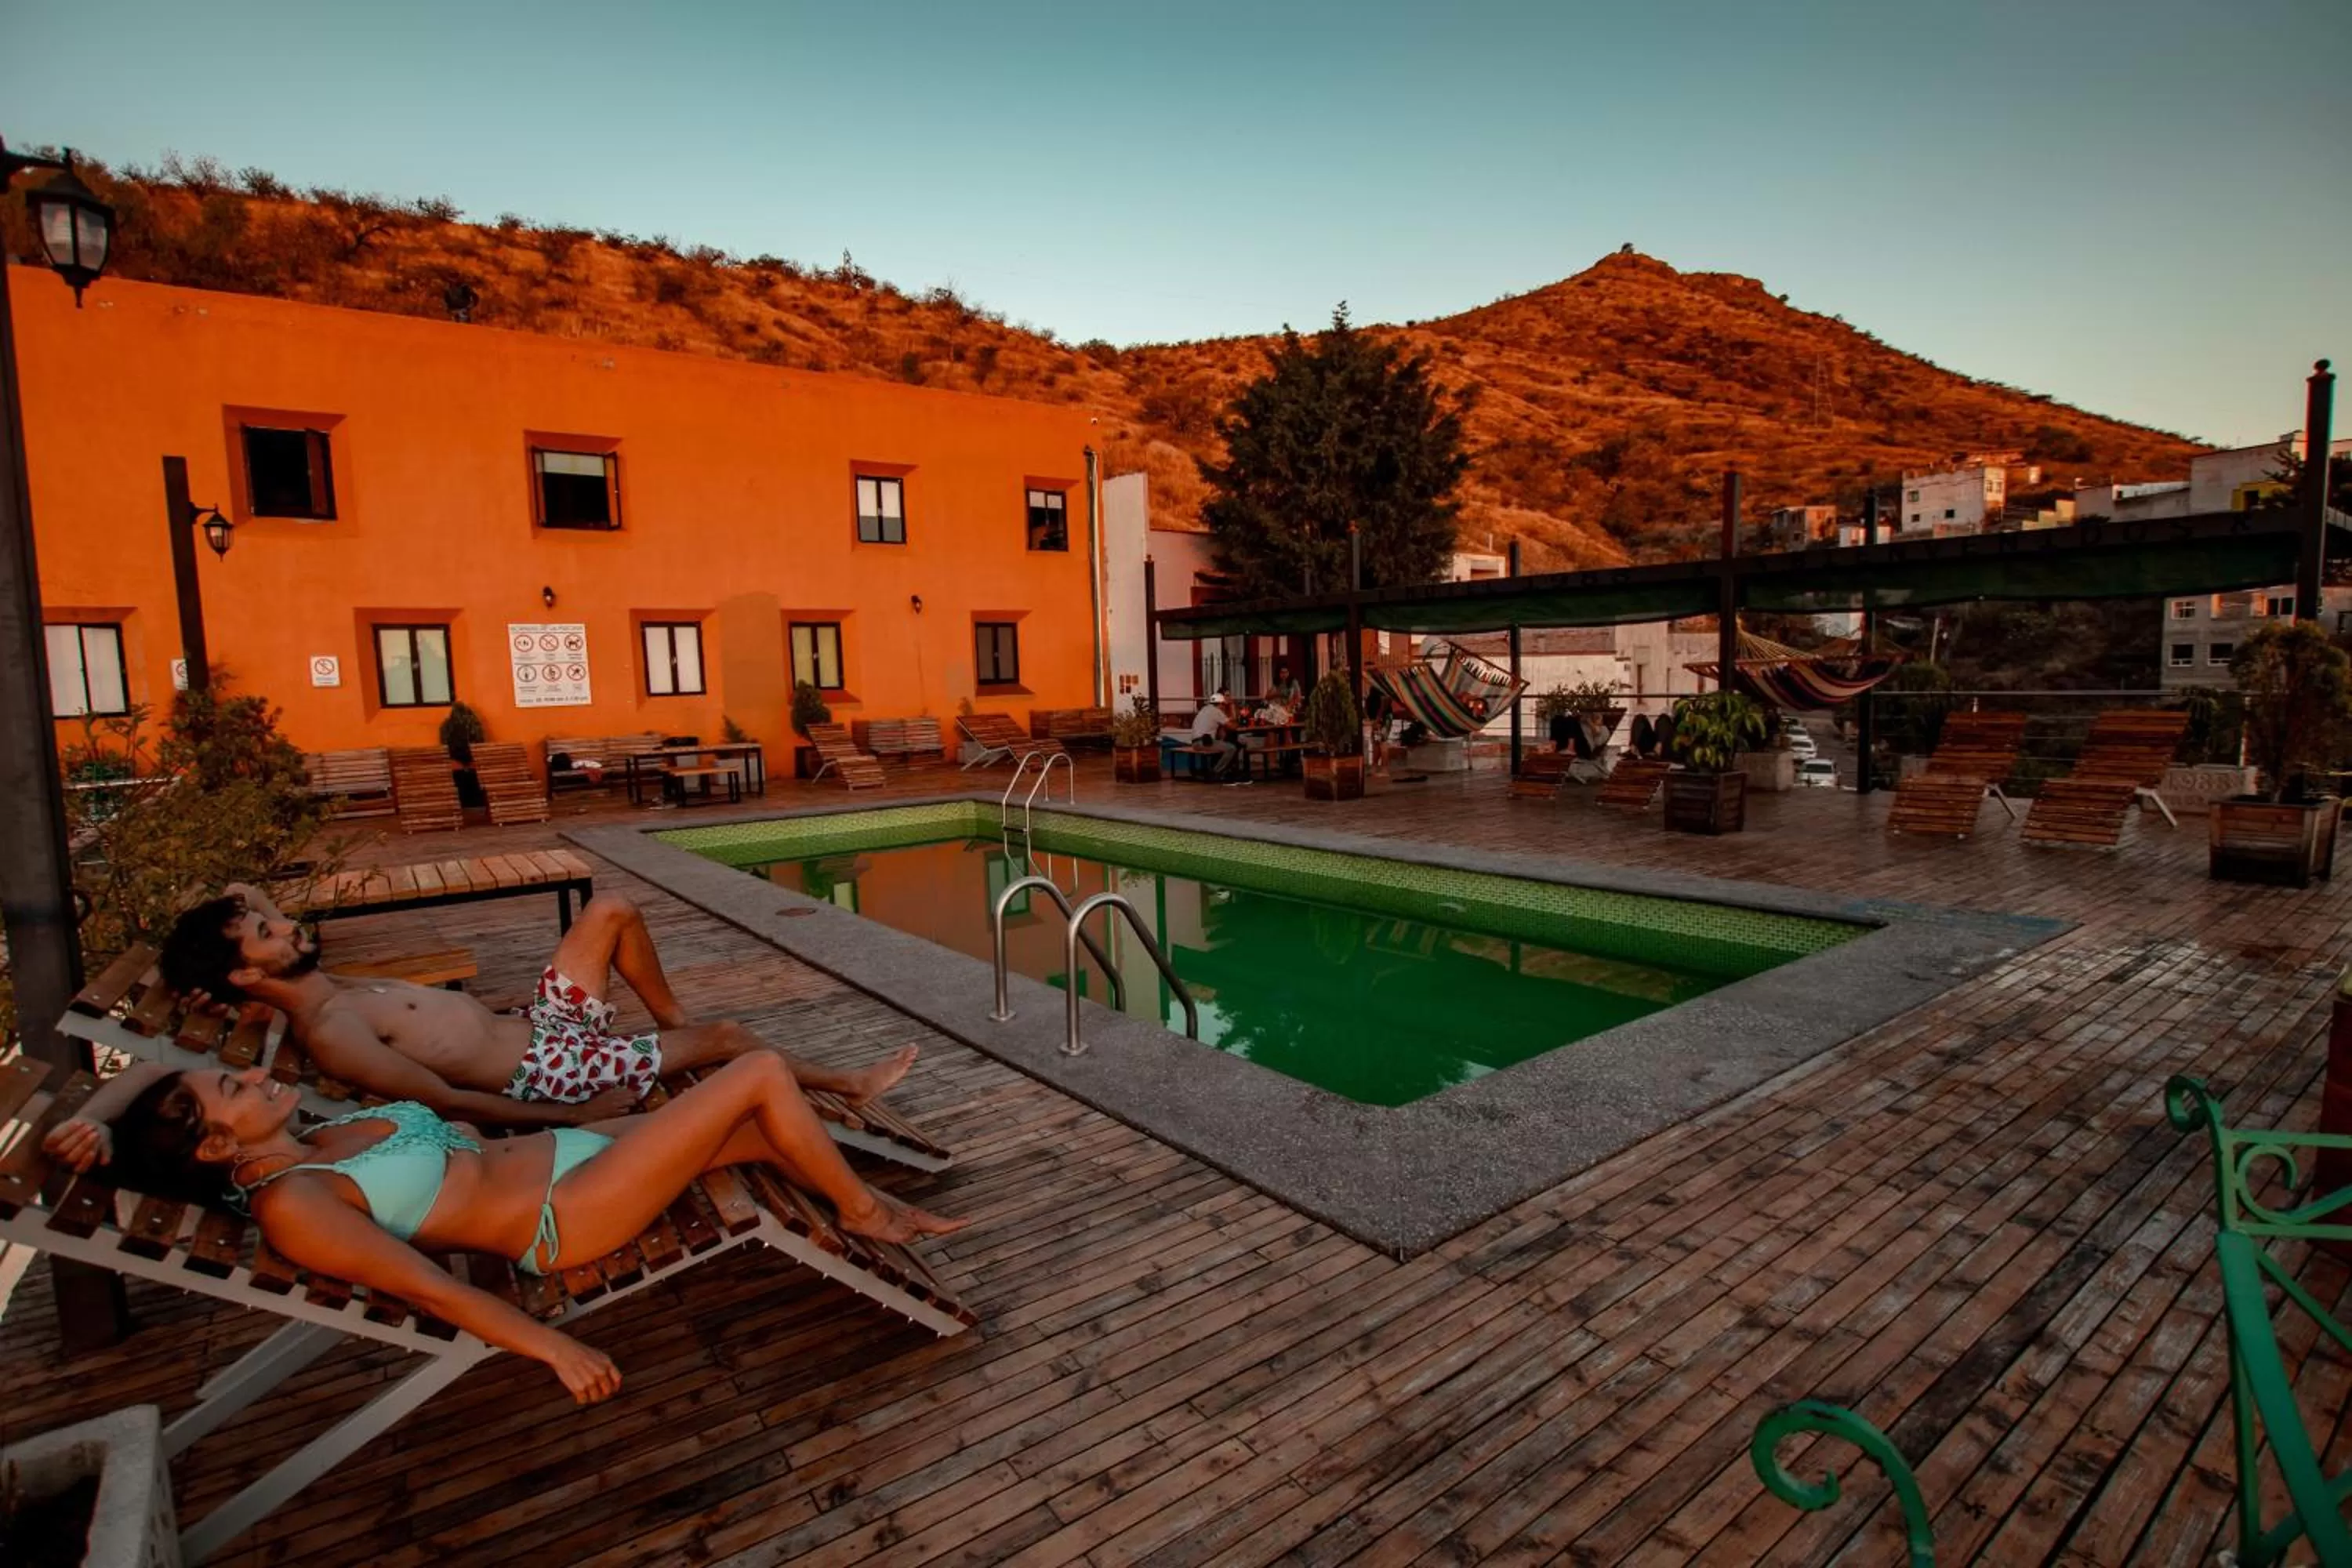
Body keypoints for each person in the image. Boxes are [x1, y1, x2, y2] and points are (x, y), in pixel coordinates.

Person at [60, 1053, 966, 1405]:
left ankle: (869, 1201)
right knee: (758, 1072)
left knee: (768, 1127)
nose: (254, 1077)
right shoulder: (298, 1203)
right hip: (565, 1214)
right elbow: (433, 1287)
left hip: (567, 1150)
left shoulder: (307, 1141)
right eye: (237, 1089)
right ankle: (867, 1209)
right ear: (217, 1145)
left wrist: (103, 1120)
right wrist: (550, 1347)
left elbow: (156, 1064)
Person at [135, 884, 917, 1133]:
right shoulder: (333, 1031)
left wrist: (230, 923)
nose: (287, 925)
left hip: (542, 1025)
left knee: (609, 905)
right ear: (244, 975)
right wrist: (583, 1119)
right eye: (268, 934)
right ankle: (845, 1084)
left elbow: (248, 891)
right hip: (555, 1069)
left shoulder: (325, 989)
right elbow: (445, 1100)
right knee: (735, 1039)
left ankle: (671, 1022)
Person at [1187, 691, 1243, 780]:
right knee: (1232, 748)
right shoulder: (1216, 711)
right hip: (1204, 742)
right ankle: (1216, 772)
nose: (1224, 706)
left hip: (1196, 742)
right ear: (1221, 704)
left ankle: (1224, 770)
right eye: (1224, 705)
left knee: (1224, 744)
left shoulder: (1205, 709)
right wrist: (1237, 719)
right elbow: (1232, 727)